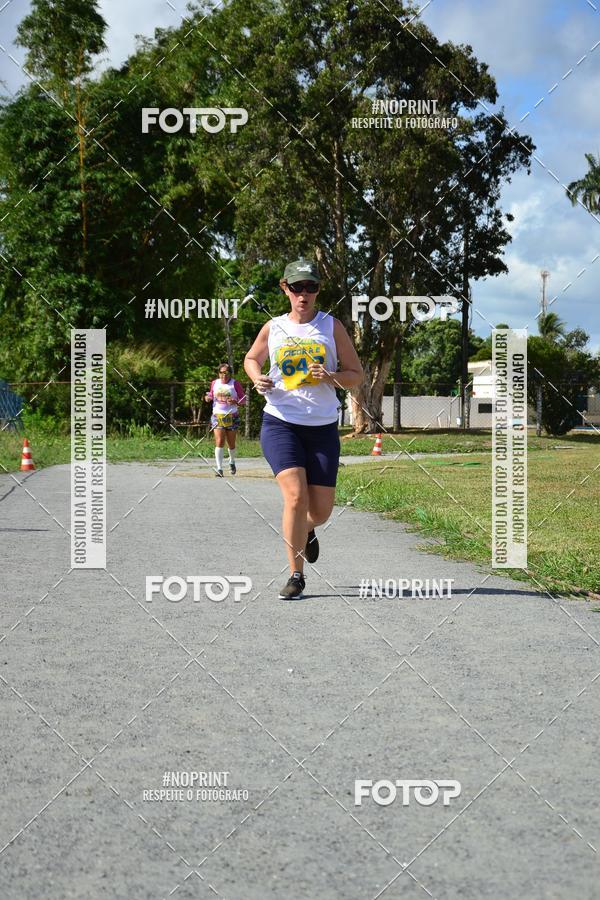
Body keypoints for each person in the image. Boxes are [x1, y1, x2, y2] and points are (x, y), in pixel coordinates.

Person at [244, 258, 363, 600]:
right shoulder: (274, 327)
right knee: (295, 497)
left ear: (318, 291)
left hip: (322, 427)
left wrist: (333, 376)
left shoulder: (331, 326)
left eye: (311, 287)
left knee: (321, 511)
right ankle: (296, 575)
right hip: (280, 422)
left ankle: (307, 529)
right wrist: (257, 378)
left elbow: (356, 374)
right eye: (297, 287)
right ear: (285, 288)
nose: (304, 294)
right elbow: (252, 358)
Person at [205, 363, 246, 476]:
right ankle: (219, 469)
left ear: (230, 373)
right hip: (218, 416)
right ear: (218, 373)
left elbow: (243, 399)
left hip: (232, 416)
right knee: (219, 441)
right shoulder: (214, 383)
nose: (224, 375)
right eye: (222, 372)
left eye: (226, 372)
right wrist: (207, 398)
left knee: (231, 443)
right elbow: (211, 394)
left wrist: (236, 401)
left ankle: (231, 461)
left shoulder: (235, 384)